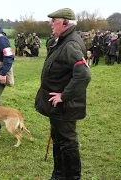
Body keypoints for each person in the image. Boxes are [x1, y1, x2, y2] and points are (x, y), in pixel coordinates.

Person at [34, 8, 91, 180]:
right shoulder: (62, 41)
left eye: (54, 20)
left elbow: (83, 74)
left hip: (65, 106)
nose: (51, 23)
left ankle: (72, 177)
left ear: (66, 23)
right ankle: (59, 175)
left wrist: (63, 96)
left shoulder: (71, 44)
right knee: (59, 141)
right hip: (58, 107)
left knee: (68, 143)